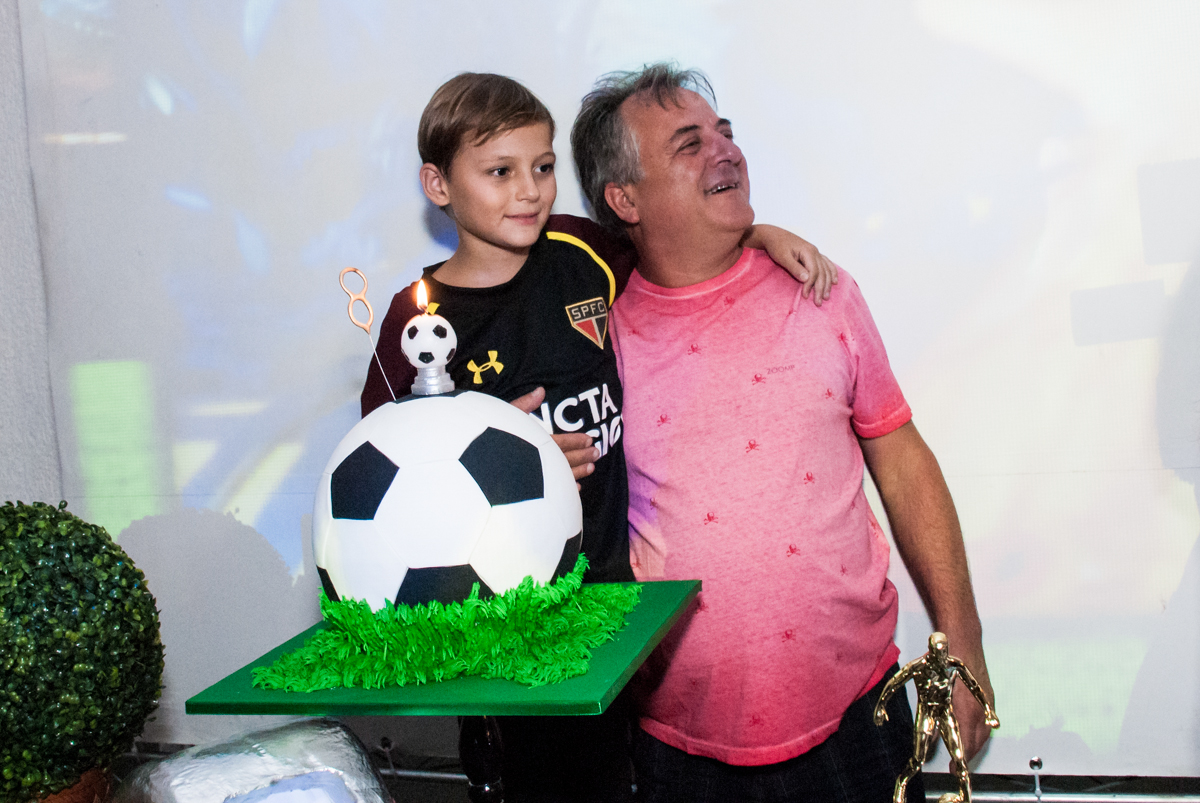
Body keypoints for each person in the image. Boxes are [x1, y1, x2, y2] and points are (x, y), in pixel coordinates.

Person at [359, 72, 837, 803]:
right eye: (499, 172)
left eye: (543, 168)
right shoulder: (418, 324)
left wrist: (761, 234)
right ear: (438, 184)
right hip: (516, 645)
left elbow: (680, 244)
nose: (529, 191)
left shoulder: (581, 251)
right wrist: (511, 467)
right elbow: (384, 492)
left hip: (620, 617)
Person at [571, 63, 995, 803]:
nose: (726, 152)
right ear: (624, 198)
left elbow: (901, 461)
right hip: (676, 752)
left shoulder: (821, 288)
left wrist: (964, 647)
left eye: (726, 134)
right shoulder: (597, 342)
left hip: (859, 725)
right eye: (689, 144)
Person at [874, 632, 1000, 803]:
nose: (941, 656)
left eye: (944, 651)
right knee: (917, 760)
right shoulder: (919, 666)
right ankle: (902, 785)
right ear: (931, 651)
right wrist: (881, 705)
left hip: (945, 712)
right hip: (927, 713)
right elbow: (895, 682)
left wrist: (988, 710)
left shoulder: (954, 665)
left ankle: (965, 797)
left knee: (960, 761)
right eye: (938, 652)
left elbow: (974, 686)